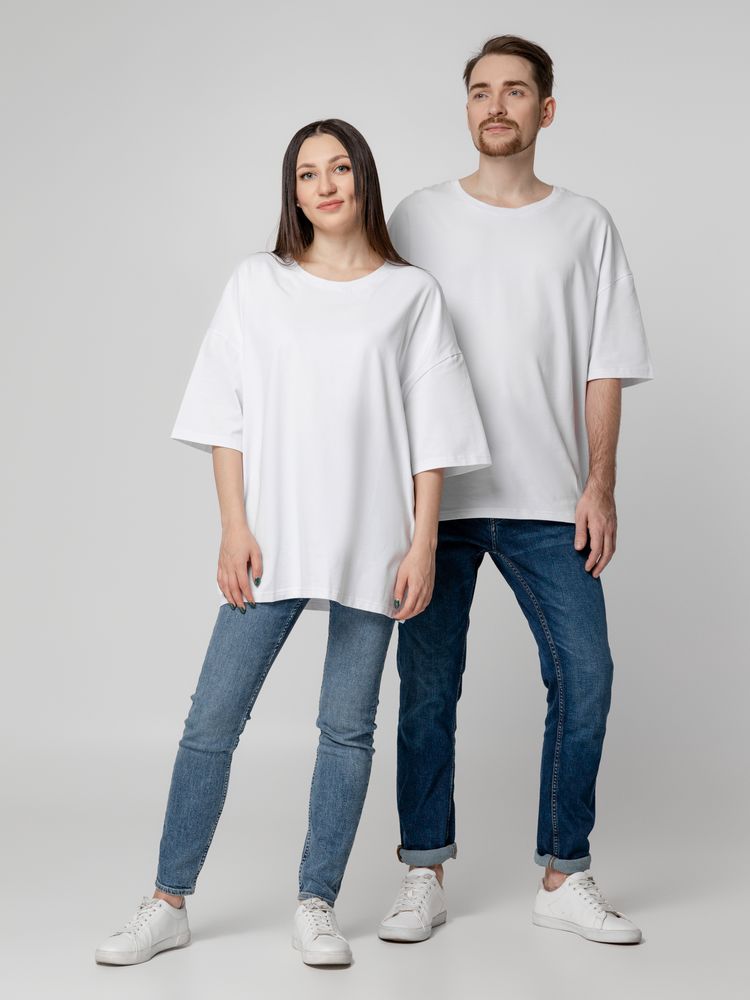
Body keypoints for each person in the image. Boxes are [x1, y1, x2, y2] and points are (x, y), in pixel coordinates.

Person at [94, 118, 490, 969]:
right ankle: (167, 902)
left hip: (376, 540)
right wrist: (233, 525)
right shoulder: (257, 283)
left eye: (339, 167)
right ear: (294, 192)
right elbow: (225, 414)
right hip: (272, 535)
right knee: (212, 721)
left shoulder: (411, 295)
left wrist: (423, 543)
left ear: (362, 178)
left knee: (347, 729)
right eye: (308, 173)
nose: (326, 185)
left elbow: (433, 434)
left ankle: (317, 902)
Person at [378, 35, 653, 946]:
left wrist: (600, 485)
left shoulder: (586, 225)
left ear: (547, 109)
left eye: (516, 91)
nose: (496, 105)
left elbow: (606, 365)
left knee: (586, 675)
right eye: (481, 91)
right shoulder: (416, 218)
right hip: (437, 502)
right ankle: (423, 872)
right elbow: (376, 347)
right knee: (427, 689)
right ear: (467, 107)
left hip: (548, 498)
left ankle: (563, 874)